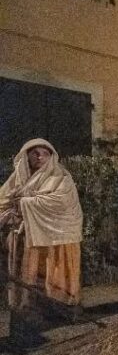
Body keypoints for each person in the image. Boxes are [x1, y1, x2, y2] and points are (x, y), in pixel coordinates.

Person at [0, 139, 83, 335]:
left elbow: (63, 203)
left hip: (55, 238)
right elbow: (3, 200)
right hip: (25, 238)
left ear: (51, 156)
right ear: (26, 155)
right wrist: (10, 213)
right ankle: (26, 317)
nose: (39, 157)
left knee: (53, 275)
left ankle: (58, 314)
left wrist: (24, 203)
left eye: (44, 153)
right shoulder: (17, 177)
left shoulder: (61, 177)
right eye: (34, 153)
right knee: (26, 277)